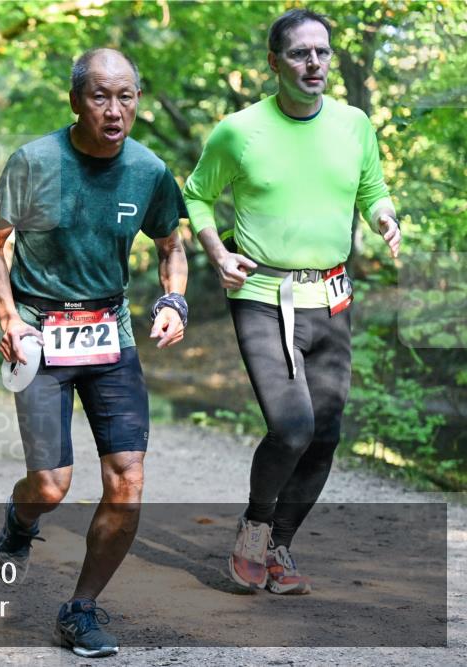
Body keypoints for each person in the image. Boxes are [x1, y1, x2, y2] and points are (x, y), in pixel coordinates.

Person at [0, 48, 188, 658]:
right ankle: (21, 519)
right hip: (41, 332)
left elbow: (171, 245)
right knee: (50, 485)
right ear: (75, 101)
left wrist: (173, 301)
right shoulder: (35, 162)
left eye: (126, 96)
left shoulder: (149, 170)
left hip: (111, 333)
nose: (115, 109)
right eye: (100, 96)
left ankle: (81, 608)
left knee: (128, 480)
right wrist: (9, 319)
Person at [183, 8, 401, 595]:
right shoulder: (238, 130)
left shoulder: (354, 123)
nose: (315, 63)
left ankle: (280, 546)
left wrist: (383, 216)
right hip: (261, 294)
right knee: (293, 425)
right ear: (274, 63)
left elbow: (371, 187)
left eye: (323, 53)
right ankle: (255, 525)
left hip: (330, 295)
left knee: (326, 431)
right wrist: (215, 252)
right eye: (301, 53)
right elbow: (198, 196)